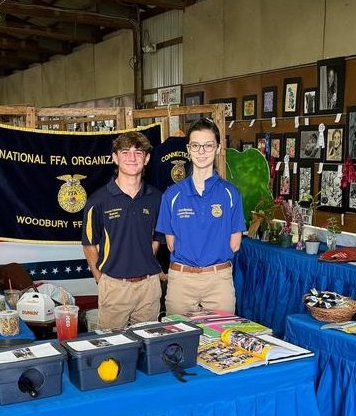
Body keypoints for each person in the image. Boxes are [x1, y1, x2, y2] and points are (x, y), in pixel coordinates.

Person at [156, 118, 246, 314]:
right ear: (188, 149)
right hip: (181, 280)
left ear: (218, 148)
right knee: (178, 340)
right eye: (196, 146)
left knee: (222, 339)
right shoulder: (172, 195)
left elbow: (235, 244)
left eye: (208, 145)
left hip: (218, 280)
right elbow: (171, 244)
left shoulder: (230, 193)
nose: (202, 152)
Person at [82, 131, 162, 330]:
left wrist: (142, 266)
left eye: (138, 152)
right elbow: (89, 244)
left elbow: (156, 239)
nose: (132, 158)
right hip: (114, 287)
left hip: (149, 288)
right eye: (125, 152)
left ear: (147, 158)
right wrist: (102, 280)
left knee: (149, 346)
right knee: (112, 347)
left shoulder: (157, 198)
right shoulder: (98, 200)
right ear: (115, 158)